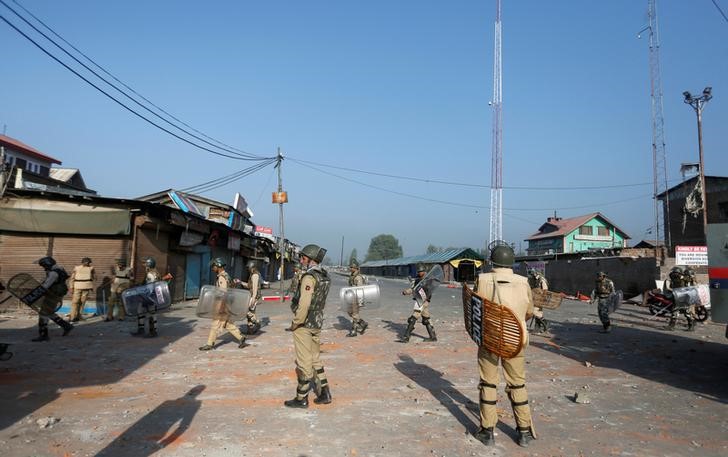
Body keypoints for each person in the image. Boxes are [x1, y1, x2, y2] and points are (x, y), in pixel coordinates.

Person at [473, 243, 536, 447]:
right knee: (517, 384)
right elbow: (528, 312)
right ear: (512, 261)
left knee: (488, 383)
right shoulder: (523, 282)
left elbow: (475, 310)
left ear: (492, 260)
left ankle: (487, 431)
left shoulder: (481, 279)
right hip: (515, 341)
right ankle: (524, 432)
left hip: (489, 341)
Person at [284, 243, 332, 408]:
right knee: (315, 358)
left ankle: (301, 398)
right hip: (317, 321)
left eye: (303, 257)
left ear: (310, 259)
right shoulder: (324, 275)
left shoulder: (309, 277)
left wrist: (296, 323)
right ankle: (324, 392)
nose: (301, 260)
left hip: (304, 323)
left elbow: (304, 304)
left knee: (304, 362)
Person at [199, 258, 248, 351]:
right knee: (227, 324)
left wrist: (220, 307)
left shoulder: (222, 277)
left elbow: (223, 293)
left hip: (223, 304)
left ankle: (209, 344)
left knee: (215, 323)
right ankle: (241, 338)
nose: (213, 268)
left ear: (218, 266)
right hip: (227, 303)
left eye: (214, 266)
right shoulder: (226, 275)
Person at [33, 257, 74, 341]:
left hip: (53, 295)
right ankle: (66, 326)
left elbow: (46, 285)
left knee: (43, 313)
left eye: (44, 266)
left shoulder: (53, 273)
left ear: (47, 264)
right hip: (57, 294)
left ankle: (43, 335)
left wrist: (36, 292)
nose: (44, 268)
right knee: (49, 312)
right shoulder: (60, 269)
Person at [131, 257, 171, 337]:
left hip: (149, 296)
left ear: (149, 265)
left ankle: (151, 331)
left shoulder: (150, 275)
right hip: (154, 296)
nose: (145, 266)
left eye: (146, 265)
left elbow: (150, 286)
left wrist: (146, 295)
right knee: (147, 312)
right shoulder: (155, 273)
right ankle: (147, 330)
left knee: (148, 313)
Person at [399, 263, 437, 343]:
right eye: (418, 271)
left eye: (421, 271)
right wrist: (406, 292)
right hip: (420, 300)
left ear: (424, 271)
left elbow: (428, 291)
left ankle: (406, 337)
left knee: (413, 318)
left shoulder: (428, 280)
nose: (419, 272)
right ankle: (433, 337)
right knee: (426, 319)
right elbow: (414, 289)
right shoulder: (418, 279)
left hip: (423, 301)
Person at [346, 259, 369, 337]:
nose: (350, 268)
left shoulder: (358, 277)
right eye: (350, 267)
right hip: (351, 297)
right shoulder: (352, 275)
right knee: (350, 312)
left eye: (351, 267)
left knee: (355, 314)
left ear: (355, 268)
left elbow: (360, 289)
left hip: (356, 297)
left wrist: (360, 301)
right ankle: (362, 323)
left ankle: (354, 331)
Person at [238, 261, 262, 335]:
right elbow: (249, 286)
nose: (248, 268)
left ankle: (257, 322)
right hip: (252, 295)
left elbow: (255, 288)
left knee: (246, 312)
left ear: (252, 267)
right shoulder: (252, 274)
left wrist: (253, 299)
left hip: (254, 296)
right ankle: (250, 330)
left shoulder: (255, 275)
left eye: (249, 267)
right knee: (251, 313)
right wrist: (240, 282)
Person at [69, 257, 95, 322]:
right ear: (83, 262)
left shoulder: (91, 268)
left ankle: (79, 316)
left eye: (88, 262)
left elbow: (93, 278)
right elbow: (72, 278)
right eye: (86, 262)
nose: (87, 263)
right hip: (77, 287)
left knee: (82, 302)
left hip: (86, 287)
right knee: (75, 302)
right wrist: (71, 287)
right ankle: (72, 317)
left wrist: (91, 286)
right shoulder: (77, 268)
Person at [527, 269, 549, 334]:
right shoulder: (535, 279)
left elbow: (545, 290)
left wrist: (542, 299)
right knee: (539, 313)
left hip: (540, 298)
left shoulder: (542, 279)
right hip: (536, 298)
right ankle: (538, 328)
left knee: (534, 311)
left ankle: (545, 323)